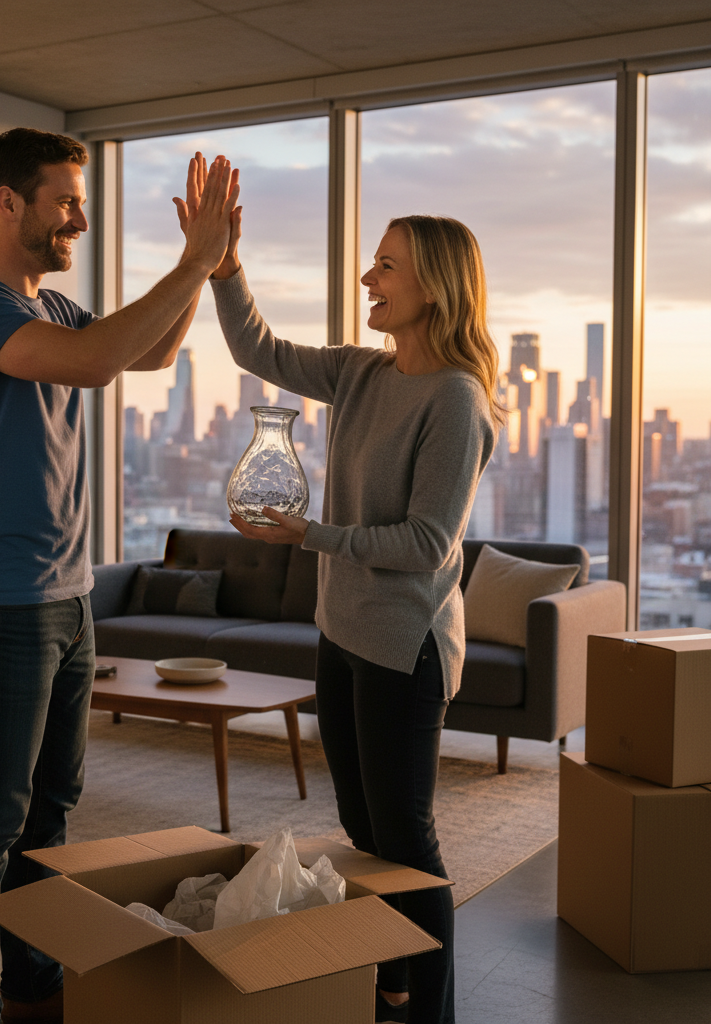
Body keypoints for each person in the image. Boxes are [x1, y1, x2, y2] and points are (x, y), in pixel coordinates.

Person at [0, 128, 238, 1024]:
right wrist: (193, 260)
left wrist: (206, 264)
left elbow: (152, 353)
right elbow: (99, 364)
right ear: (7, 203)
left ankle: (32, 976)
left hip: (68, 595)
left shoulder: (55, 307)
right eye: (65, 201)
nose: (81, 220)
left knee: (51, 808)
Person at [209, 206, 503, 1024]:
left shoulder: (456, 400)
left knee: (405, 839)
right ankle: (391, 983)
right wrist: (226, 267)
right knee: (362, 830)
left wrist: (312, 535)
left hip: (404, 647)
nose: (368, 278)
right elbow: (258, 350)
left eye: (386, 265)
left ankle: (430, 1012)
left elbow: (427, 543)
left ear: (434, 286)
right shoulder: (361, 373)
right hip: (340, 633)